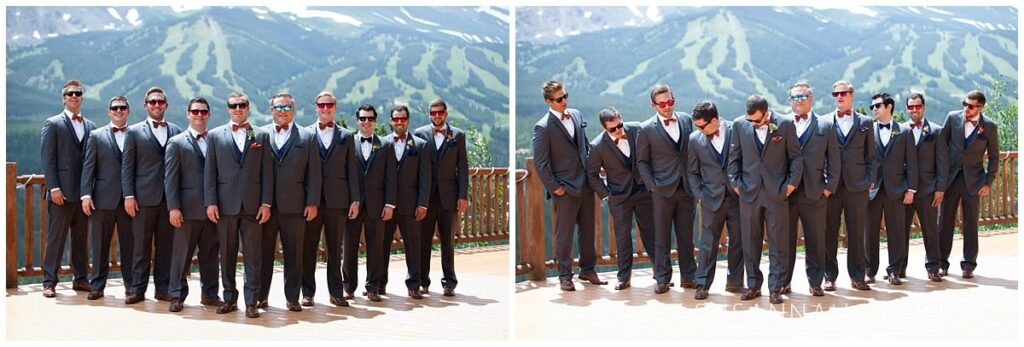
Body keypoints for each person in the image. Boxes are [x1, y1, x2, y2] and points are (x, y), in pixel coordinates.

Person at [204, 91, 274, 318]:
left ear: (248, 107)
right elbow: (210, 173)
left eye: (242, 105)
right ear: (228, 108)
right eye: (233, 105)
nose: (238, 109)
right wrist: (211, 202)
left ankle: (251, 302)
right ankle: (229, 299)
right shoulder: (214, 135)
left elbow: (267, 173)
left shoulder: (261, 135)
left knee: (253, 256)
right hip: (224, 206)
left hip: (253, 207)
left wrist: (266, 203)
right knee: (227, 255)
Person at [727, 94, 801, 304]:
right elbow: (734, 158)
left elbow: (796, 156)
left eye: (758, 120)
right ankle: (753, 285)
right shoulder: (740, 125)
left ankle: (776, 288)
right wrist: (735, 183)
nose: (754, 124)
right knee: (750, 241)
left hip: (777, 192)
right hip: (748, 193)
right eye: (750, 120)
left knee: (778, 243)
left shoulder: (785, 124)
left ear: (767, 112)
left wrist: (791, 185)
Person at [258, 92, 322, 312]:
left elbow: (314, 173)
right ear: (271, 109)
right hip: (265, 207)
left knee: (294, 255)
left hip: (296, 207)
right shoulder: (259, 135)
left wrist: (312, 202)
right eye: (278, 107)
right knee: (263, 254)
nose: (282, 111)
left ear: (293, 110)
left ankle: (292, 297)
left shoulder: (307, 136)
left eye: (286, 108)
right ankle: (260, 296)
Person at [585, 107, 656, 290]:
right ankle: (624, 277)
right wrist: (606, 195)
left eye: (620, 125)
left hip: (643, 192)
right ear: (604, 128)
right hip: (618, 197)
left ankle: (661, 273)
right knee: (622, 238)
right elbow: (591, 174)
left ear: (621, 119)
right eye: (613, 129)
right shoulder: (597, 146)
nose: (618, 131)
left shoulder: (636, 129)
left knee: (652, 233)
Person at [636, 83, 696, 294]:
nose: (667, 107)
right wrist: (652, 186)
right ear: (654, 106)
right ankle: (662, 278)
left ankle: (689, 277)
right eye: (662, 104)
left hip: (687, 189)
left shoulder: (687, 119)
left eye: (670, 102)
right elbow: (641, 162)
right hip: (661, 191)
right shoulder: (646, 129)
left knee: (686, 236)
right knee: (661, 237)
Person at [123, 87, 181, 304]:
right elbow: (127, 167)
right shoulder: (134, 132)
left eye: (160, 102)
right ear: (145, 105)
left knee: (166, 247)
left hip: (170, 200)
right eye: (152, 102)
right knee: (141, 247)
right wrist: (129, 195)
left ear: (166, 105)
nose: (156, 105)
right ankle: (137, 289)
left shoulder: (176, 131)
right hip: (143, 198)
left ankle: (163, 288)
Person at [301, 91, 359, 307]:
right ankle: (307, 292)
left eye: (330, 105)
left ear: (335, 107)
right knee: (309, 248)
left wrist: (355, 200)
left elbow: (351, 171)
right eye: (322, 105)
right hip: (312, 202)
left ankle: (336, 292)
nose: (325, 108)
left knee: (335, 249)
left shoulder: (346, 136)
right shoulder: (305, 134)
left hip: (338, 200)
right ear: (316, 107)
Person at [164, 97, 222, 312]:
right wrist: (173, 207)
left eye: (203, 112)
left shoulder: (216, 140)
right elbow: (170, 178)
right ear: (188, 114)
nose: (199, 115)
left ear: (209, 115)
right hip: (186, 210)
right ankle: (177, 295)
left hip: (212, 210)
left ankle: (210, 294)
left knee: (210, 255)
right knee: (181, 256)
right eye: (195, 111)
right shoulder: (176, 142)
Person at [783, 83, 840, 297]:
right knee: (785, 241)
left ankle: (815, 281)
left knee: (816, 240)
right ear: (789, 100)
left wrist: (828, 188)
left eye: (803, 96)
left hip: (815, 192)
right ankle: (783, 281)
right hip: (787, 194)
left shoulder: (825, 125)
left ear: (811, 98)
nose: (799, 100)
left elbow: (834, 161)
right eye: (795, 97)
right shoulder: (781, 124)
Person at [40, 79, 96, 298]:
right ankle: (49, 281)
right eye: (70, 93)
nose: (74, 96)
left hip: (83, 195)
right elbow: (48, 159)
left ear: (82, 98)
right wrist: (53, 187)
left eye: (78, 93)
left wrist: (89, 192)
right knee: (56, 238)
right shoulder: (52, 123)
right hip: (60, 193)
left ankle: (80, 279)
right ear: (64, 98)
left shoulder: (90, 126)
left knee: (81, 239)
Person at [685, 101, 745, 300]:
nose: (700, 130)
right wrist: (700, 195)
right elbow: (692, 172)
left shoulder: (736, 130)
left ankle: (735, 282)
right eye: (697, 127)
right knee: (707, 243)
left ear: (715, 120)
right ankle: (702, 284)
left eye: (703, 126)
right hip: (710, 199)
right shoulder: (694, 140)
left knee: (738, 240)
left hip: (737, 197)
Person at [937, 90, 999, 279]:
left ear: (980, 107)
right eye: (964, 103)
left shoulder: (989, 126)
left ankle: (969, 265)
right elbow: (941, 144)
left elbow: (995, 156)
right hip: (951, 179)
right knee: (944, 222)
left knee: (971, 224)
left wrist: (988, 182)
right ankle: (940, 263)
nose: (966, 108)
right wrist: (941, 175)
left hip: (975, 181)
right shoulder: (952, 118)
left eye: (971, 106)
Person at [822, 80, 877, 291]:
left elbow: (872, 156)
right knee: (829, 233)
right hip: (832, 188)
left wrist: (869, 180)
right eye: (835, 93)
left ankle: (857, 276)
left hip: (857, 187)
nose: (839, 96)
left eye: (843, 93)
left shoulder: (865, 122)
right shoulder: (825, 122)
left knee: (856, 233)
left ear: (852, 95)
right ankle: (829, 276)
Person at [81, 95, 135, 300]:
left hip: (129, 200)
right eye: (115, 108)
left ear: (128, 111)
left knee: (130, 245)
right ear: (109, 112)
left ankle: (131, 286)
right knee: (100, 244)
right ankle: (97, 286)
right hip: (102, 199)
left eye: (122, 107)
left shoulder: (136, 133)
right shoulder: (96, 135)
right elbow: (89, 166)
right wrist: (86, 194)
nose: (119, 111)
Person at [413, 99, 469, 296]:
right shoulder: (419, 134)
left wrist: (463, 195)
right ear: (429, 114)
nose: (437, 116)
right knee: (423, 241)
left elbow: (462, 168)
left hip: (449, 196)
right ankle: (422, 281)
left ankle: (449, 282)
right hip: (425, 198)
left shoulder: (458, 135)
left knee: (448, 242)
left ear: (446, 113)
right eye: (433, 113)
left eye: (440, 112)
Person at [343, 104, 397, 302]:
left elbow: (391, 177)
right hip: (353, 205)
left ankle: (373, 286)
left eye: (370, 119)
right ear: (357, 120)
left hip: (377, 205)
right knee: (349, 246)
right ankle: (348, 287)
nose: (366, 122)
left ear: (375, 121)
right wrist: (350, 200)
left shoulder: (385, 145)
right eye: (363, 118)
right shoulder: (348, 142)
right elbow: (344, 174)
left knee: (376, 247)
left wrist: (390, 204)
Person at [865, 93, 917, 286]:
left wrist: (911, 189)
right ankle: (869, 271)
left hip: (896, 189)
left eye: (877, 106)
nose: (874, 110)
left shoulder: (904, 132)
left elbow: (911, 163)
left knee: (896, 232)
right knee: (869, 232)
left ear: (889, 107)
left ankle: (894, 270)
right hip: (873, 189)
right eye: (872, 107)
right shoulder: (868, 130)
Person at [383, 105, 431, 299]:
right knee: (381, 245)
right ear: (391, 121)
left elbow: (425, 178)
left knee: (413, 246)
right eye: (396, 119)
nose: (399, 122)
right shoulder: (382, 143)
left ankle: (414, 284)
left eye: (403, 119)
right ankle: (379, 284)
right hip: (386, 204)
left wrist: (423, 203)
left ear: (408, 120)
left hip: (411, 205)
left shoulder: (420, 145)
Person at [901, 93, 947, 282]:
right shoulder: (900, 130)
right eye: (910, 107)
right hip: (904, 191)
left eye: (917, 106)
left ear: (924, 107)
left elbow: (943, 162)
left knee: (930, 230)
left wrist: (940, 189)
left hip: (929, 190)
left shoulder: (936, 131)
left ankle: (933, 267)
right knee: (900, 231)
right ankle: (899, 268)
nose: (914, 110)